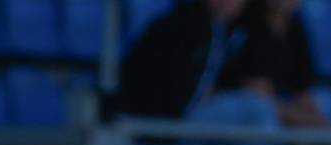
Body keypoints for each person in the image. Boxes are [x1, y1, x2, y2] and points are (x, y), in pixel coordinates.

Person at [104, 0, 278, 131]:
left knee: (257, 106)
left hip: (173, 116)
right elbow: (179, 95)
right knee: (258, 108)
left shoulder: (220, 28)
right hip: (168, 123)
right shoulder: (192, 25)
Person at [217, 0, 330, 130]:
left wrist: (314, 119)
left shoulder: (296, 28)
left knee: (316, 126)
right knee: (262, 113)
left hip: (280, 109)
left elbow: (302, 89)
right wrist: (305, 119)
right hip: (238, 107)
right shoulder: (245, 21)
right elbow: (253, 90)